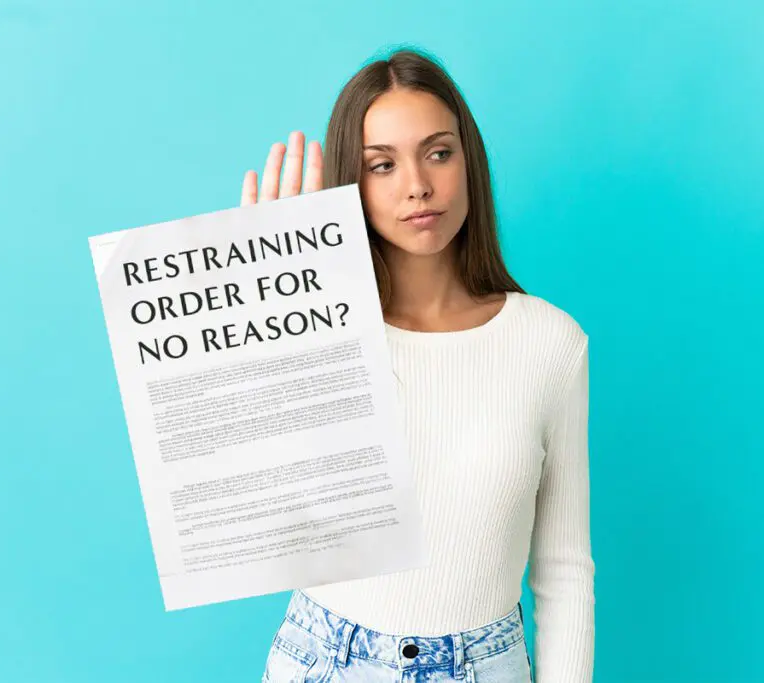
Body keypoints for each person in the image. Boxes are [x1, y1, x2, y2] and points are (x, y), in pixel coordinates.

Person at [246, 48, 594, 683]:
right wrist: (272, 309)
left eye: (438, 152)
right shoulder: (325, 330)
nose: (417, 185)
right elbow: (262, 513)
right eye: (383, 165)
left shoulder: (551, 343)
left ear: (469, 161)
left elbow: (565, 569)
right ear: (353, 181)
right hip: (326, 661)